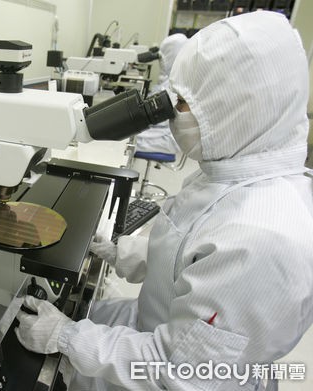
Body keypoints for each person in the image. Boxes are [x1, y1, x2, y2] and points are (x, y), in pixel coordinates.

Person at [16, 11, 313, 390]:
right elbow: (192, 259)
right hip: (160, 328)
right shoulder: (231, 171)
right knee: (89, 312)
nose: (174, 115)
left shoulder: (260, 239)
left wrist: (67, 337)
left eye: (185, 103)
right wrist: (124, 253)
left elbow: (180, 371)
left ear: (238, 109)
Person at [134, 33, 187, 155]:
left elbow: (154, 121)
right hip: (161, 133)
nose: (161, 62)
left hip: (165, 140)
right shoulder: (172, 79)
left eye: (163, 58)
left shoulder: (175, 87)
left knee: (121, 141)